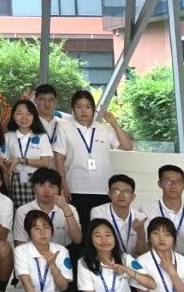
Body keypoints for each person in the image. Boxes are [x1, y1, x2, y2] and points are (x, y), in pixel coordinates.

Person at [56, 89, 135, 227]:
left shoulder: (104, 129)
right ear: (73, 109)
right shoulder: (64, 127)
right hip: (76, 188)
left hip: (103, 189)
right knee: (81, 228)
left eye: (88, 107)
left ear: (93, 109)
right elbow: (59, 159)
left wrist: (114, 123)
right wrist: (63, 186)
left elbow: (127, 146)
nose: (83, 111)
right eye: (79, 106)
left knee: (101, 229)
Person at [5, 209, 83, 292]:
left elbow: (64, 287)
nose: (42, 232)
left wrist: (53, 266)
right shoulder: (21, 250)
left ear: (52, 230)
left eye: (46, 227)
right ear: (29, 232)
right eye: (37, 228)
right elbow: (26, 282)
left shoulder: (61, 250)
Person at [13, 167, 82, 251]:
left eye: (51, 186)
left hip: (62, 254)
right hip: (33, 255)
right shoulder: (23, 211)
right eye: (41, 185)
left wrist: (65, 208)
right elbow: (20, 245)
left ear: (58, 190)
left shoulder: (69, 208)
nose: (46, 190)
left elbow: (77, 239)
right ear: (34, 188)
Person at [5, 99, 52, 207]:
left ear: (34, 116)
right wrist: (7, 186)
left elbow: (45, 163)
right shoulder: (8, 136)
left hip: (38, 181)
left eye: (28, 114)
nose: (24, 118)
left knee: (37, 211)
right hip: (15, 181)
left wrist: (21, 160)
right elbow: (5, 165)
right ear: (13, 116)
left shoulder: (42, 136)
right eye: (19, 114)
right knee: (18, 212)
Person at [90, 174, 149, 257]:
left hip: (132, 262)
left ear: (133, 197)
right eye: (116, 191)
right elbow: (97, 245)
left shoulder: (140, 217)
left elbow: (143, 253)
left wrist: (140, 232)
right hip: (107, 259)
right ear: (109, 194)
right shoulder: (98, 213)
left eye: (126, 192)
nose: (121, 195)